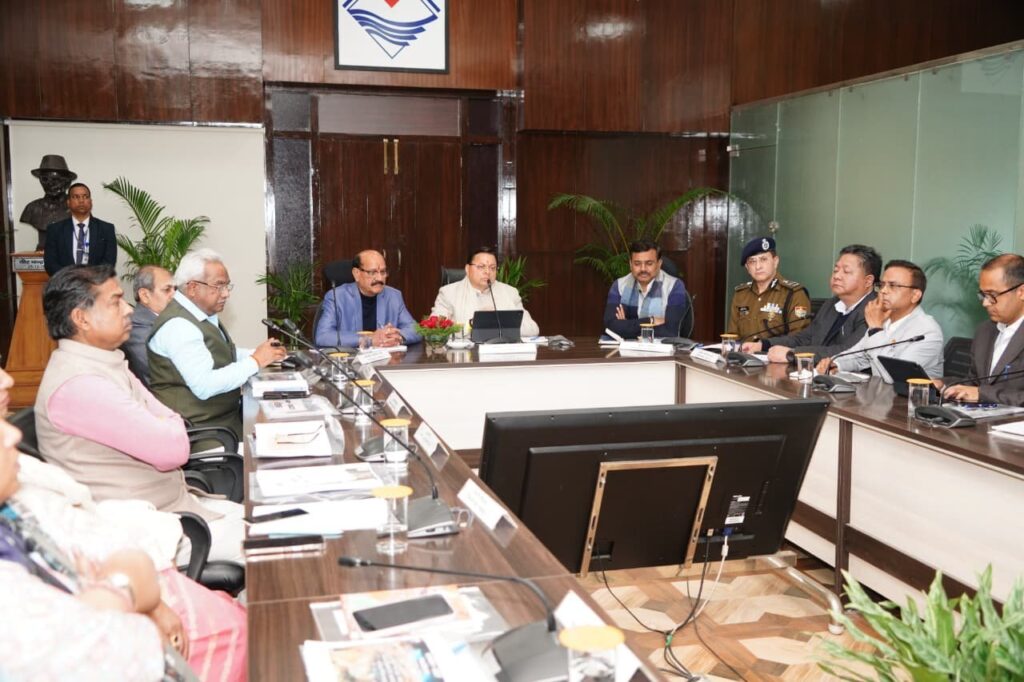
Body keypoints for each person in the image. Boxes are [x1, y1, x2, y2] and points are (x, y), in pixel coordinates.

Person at [1, 368, 246, 681]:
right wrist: (125, 591)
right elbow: (174, 446)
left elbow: (122, 554)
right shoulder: (79, 384)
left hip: (156, 522)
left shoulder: (110, 367)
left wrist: (121, 591)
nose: (13, 435)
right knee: (264, 543)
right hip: (166, 516)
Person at [35, 265, 244, 563]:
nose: (129, 310)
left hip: (173, 508)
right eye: (115, 302)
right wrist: (168, 423)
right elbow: (173, 449)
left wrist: (166, 423)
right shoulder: (80, 384)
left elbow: (168, 422)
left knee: (273, 518)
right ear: (81, 318)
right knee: (279, 542)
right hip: (148, 531)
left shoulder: (104, 363)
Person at [148, 248, 286, 440]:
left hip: (223, 421)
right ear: (193, 287)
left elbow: (222, 353)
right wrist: (255, 361)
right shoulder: (179, 325)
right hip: (201, 433)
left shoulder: (200, 314)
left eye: (227, 286)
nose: (226, 294)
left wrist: (264, 354)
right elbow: (205, 385)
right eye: (219, 286)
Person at [742, 244, 880, 363]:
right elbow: (805, 338)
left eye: (846, 271)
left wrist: (792, 354)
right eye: (836, 270)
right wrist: (764, 344)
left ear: (868, 281)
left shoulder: (875, 310)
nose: (837, 276)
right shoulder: (831, 304)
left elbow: (847, 351)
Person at [816, 260, 944, 379]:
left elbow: (894, 376)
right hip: (880, 393)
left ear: (915, 295)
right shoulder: (885, 320)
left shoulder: (927, 331)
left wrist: (876, 329)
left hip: (910, 396)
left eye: (893, 286)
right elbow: (860, 356)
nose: (883, 291)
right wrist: (836, 363)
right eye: (882, 285)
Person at [944, 254, 1024, 404]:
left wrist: (983, 394)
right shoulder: (985, 331)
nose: (985, 303)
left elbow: (980, 391)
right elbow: (974, 383)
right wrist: (943, 385)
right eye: (983, 295)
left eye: (992, 295)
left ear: (1021, 292)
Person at [313, 249, 421, 348]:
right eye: (372, 272)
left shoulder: (393, 296)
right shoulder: (336, 297)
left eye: (383, 272)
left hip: (386, 359)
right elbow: (323, 336)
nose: (379, 278)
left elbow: (416, 330)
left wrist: (397, 337)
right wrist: (369, 340)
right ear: (356, 274)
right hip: (351, 360)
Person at [432, 246, 540, 337]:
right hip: (466, 354)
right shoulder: (448, 293)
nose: (487, 272)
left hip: (501, 353)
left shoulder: (510, 293)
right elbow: (434, 329)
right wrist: (472, 324)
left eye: (492, 268)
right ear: (467, 269)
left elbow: (532, 329)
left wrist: (499, 322)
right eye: (481, 267)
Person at [727, 236, 811, 342]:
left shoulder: (794, 294)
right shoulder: (741, 294)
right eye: (752, 261)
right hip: (743, 352)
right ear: (747, 268)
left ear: (775, 261)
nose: (758, 266)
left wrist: (765, 346)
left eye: (763, 259)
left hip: (774, 352)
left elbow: (799, 339)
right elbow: (732, 336)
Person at [603, 239, 689, 339]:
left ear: (659, 264)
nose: (643, 269)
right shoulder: (619, 285)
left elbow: (670, 331)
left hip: (661, 348)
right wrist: (650, 321)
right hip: (626, 348)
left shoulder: (674, 286)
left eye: (649, 263)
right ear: (630, 264)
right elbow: (610, 327)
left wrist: (625, 326)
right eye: (637, 263)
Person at [43, 182, 117, 276]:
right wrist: (72, 279)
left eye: (85, 197)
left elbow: (109, 263)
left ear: (91, 202)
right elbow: (50, 263)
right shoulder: (55, 230)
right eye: (76, 197)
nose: (81, 200)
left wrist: (90, 278)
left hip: (96, 283)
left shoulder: (106, 229)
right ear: (68, 202)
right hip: (65, 283)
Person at [122, 265, 176, 386]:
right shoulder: (135, 325)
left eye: (175, 289)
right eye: (167, 290)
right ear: (145, 295)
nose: (174, 295)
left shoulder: (172, 318)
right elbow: (161, 372)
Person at [19, 154, 76, 251]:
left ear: (67, 182)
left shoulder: (77, 207)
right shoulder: (31, 208)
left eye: (56, 179)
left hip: (67, 253)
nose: (50, 184)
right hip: (42, 252)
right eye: (45, 179)